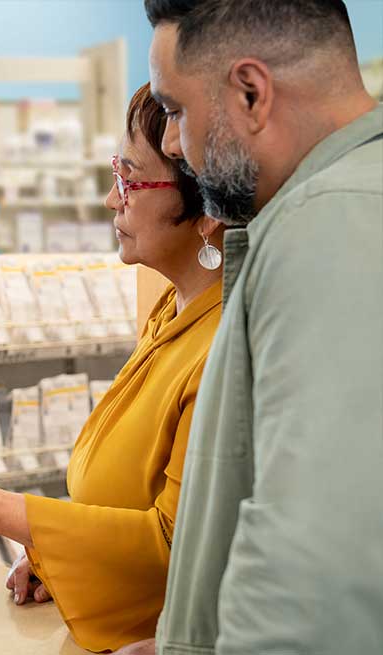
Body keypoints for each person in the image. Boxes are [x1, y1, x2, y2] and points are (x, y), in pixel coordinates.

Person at [0, 83, 225, 652]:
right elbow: (127, 501)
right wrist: (56, 554)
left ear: (208, 213)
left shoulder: (220, 348)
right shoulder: (173, 309)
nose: (111, 200)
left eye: (130, 180)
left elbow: (176, 545)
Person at [144, 1, 383, 653]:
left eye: (175, 110)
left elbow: (317, 575)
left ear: (251, 92)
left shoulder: (328, 226)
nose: (170, 144)